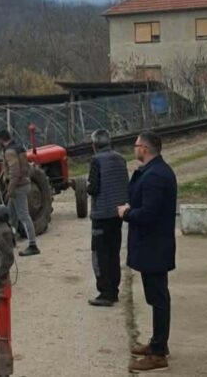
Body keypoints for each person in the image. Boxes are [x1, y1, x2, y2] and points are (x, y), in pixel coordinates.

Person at [118, 131, 176, 373]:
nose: (134, 149)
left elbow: (149, 214)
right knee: (156, 297)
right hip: (152, 245)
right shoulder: (153, 171)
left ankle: (158, 354)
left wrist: (127, 213)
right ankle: (157, 343)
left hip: (154, 245)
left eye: (136, 145)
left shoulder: (156, 176)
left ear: (144, 148)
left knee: (158, 299)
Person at [86, 129, 128, 307]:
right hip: (117, 213)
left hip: (101, 214)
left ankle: (105, 292)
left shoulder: (96, 160)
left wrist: (85, 187)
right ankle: (114, 290)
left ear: (94, 145)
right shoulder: (121, 159)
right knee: (113, 253)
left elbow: (93, 188)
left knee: (100, 254)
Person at [0, 130, 40, 257]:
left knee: (24, 216)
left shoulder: (10, 152)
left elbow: (15, 173)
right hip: (24, 184)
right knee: (10, 213)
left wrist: (10, 190)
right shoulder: (19, 147)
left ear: (1, 140)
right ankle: (11, 240)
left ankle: (33, 245)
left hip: (18, 187)